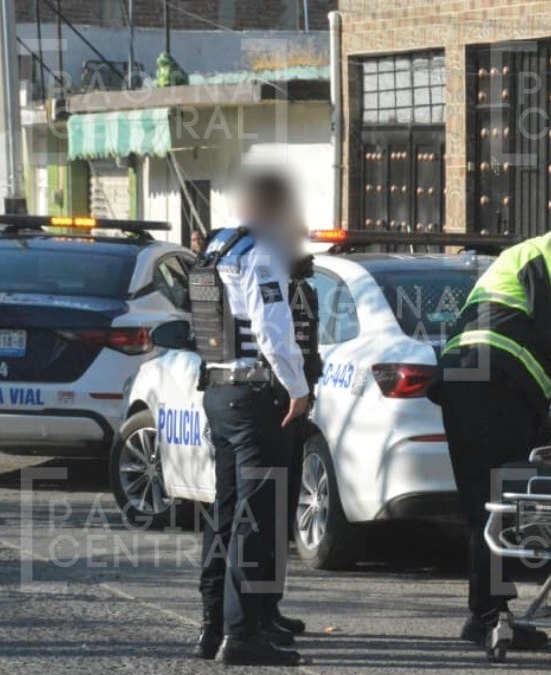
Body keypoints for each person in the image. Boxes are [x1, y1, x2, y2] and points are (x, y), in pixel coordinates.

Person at [428, 221, 551, 649]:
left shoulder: (517, 258)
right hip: (493, 380)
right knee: (499, 499)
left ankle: (487, 614)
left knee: (484, 500)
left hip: (465, 375)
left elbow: (536, 327)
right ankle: (490, 615)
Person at [190, 172, 316, 666]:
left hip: (219, 390)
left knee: (225, 514)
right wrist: (298, 389)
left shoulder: (219, 246)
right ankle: (243, 637)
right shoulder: (262, 252)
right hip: (256, 393)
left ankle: (212, 627)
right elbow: (272, 329)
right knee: (256, 519)